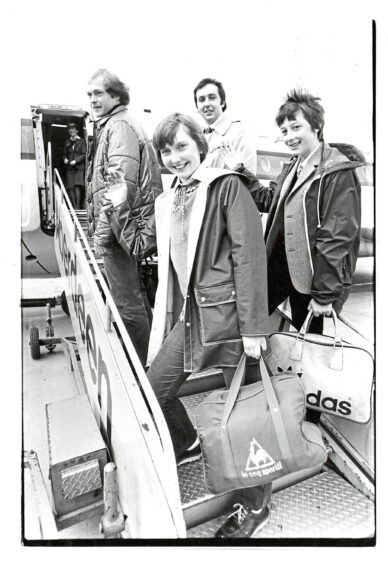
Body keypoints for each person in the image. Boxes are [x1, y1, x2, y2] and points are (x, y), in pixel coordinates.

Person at [146, 112, 271, 538]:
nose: (174, 157)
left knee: (246, 415)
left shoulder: (225, 187)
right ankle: (185, 442)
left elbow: (249, 257)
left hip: (233, 321)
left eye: (181, 146)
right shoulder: (170, 198)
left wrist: (255, 328)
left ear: (200, 144)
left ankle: (255, 504)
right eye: (166, 150)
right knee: (153, 390)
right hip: (191, 319)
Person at [265, 89, 362, 337]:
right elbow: (268, 200)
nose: (289, 137)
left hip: (309, 280)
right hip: (279, 270)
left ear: (317, 127)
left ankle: (301, 378)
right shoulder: (293, 166)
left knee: (308, 349)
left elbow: (337, 235)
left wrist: (324, 293)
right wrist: (240, 170)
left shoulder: (337, 170)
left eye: (296, 127)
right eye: (284, 131)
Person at [86, 69, 162, 367]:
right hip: (123, 227)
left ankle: (142, 369)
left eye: (99, 93)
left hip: (119, 229)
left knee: (127, 303)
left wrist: (102, 236)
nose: (93, 99)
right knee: (135, 299)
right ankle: (150, 360)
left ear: (115, 96)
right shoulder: (115, 124)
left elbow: (119, 187)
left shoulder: (118, 127)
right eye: (90, 93)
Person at [193, 78, 257, 174]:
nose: (206, 104)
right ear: (197, 107)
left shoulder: (240, 131)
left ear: (222, 102)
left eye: (212, 98)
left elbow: (249, 175)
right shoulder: (197, 136)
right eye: (202, 100)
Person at [63, 122, 86, 208]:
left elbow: (84, 154)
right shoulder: (67, 141)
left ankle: (78, 207)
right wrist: (64, 159)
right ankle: (73, 206)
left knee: (77, 186)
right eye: (70, 129)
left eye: (73, 129)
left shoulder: (82, 141)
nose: (71, 130)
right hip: (69, 167)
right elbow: (64, 154)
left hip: (78, 167)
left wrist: (76, 161)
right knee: (70, 187)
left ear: (77, 130)